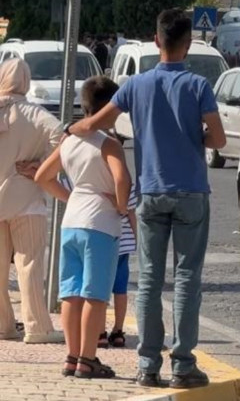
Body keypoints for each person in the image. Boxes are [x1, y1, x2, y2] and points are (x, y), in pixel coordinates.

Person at [68, 8, 226, 389]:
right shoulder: (199, 86)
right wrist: (195, 138)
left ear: (157, 41)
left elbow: (97, 123)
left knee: (150, 279)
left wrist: (73, 128)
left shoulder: (136, 86)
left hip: (151, 191)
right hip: (191, 192)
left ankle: (147, 366)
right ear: (188, 44)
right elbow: (219, 139)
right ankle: (183, 365)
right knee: (187, 278)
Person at [35, 76, 130, 378]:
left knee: (71, 293)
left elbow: (43, 176)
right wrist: (121, 205)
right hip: (100, 225)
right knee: (95, 295)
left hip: (71, 222)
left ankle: (71, 356)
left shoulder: (70, 141)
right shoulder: (109, 144)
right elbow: (122, 179)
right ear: (109, 110)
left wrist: (72, 195)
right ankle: (89, 359)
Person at [0, 59, 65, 345]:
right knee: (29, 265)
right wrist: (41, 167)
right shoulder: (36, 114)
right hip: (26, 198)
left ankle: (3, 326)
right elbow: (65, 139)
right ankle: (37, 327)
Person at [98, 178, 137, 349]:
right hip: (124, 242)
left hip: (101, 239)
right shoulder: (127, 183)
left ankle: (99, 332)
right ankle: (118, 330)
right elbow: (132, 214)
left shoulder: (94, 181)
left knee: (99, 289)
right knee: (120, 289)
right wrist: (139, 240)